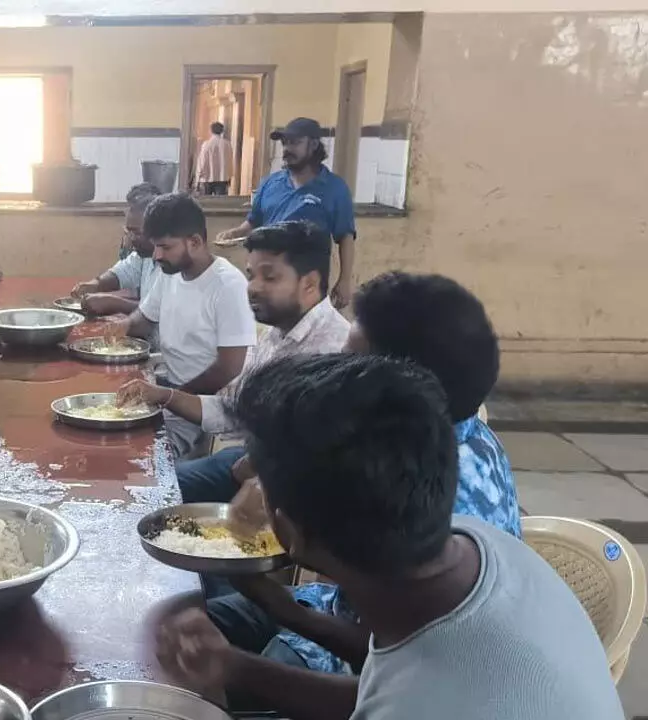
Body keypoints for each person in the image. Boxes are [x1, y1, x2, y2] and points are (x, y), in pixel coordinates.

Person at [157, 354, 622, 720]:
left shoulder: (423, 702)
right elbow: (392, 679)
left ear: (287, 533)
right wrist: (267, 629)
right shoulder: (475, 543)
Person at [199, 271, 523, 705]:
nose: (334, 375)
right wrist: (277, 602)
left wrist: (235, 667)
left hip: (354, 663)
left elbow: (386, 683)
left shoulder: (430, 499)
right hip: (336, 610)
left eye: (349, 366)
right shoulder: (439, 437)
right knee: (187, 620)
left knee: (207, 692)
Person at [118, 221, 349, 503]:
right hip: (250, 458)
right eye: (251, 275)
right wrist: (163, 396)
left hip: (289, 488)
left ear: (310, 283)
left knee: (154, 495)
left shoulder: (334, 349)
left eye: (270, 277)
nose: (252, 288)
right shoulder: (277, 334)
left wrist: (256, 469)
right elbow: (234, 409)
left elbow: (320, 454)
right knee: (147, 481)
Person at [121, 193, 255, 459]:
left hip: (204, 404)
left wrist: (172, 397)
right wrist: (113, 331)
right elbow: (142, 320)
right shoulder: (171, 273)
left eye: (165, 247)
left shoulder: (227, 285)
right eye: (155, 246)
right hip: (171, 387)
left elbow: (229, 368)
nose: (157, 255)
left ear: (194, 241)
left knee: (139, 455)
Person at [216, 118, 356, 309]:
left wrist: (345, 280)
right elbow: (253, 222)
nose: (287, 149)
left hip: (308, 286)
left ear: (314, 144)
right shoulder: (270, 184)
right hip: (267, 281)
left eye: (295, 142)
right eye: (285, 143)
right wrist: (235, 233)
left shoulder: (334, 189)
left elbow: (345, 236)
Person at [70, 183, 162, 316]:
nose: (130, 238)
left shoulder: (172, 265)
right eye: (128, 231)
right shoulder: (142, 255)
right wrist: (96, 284)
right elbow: (121, 273)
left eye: (137, 233)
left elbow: (159, 309)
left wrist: (113, 303)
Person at [196, 122, 234, 196]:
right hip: (222, 178)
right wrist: (229, 176)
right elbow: (230, 162)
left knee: (206, 203)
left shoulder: (206, 144)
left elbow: (202, 162)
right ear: (222, 131)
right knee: (220, 204)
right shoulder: (227, 144)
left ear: (211, 130)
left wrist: (198, 178)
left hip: (207, 178)